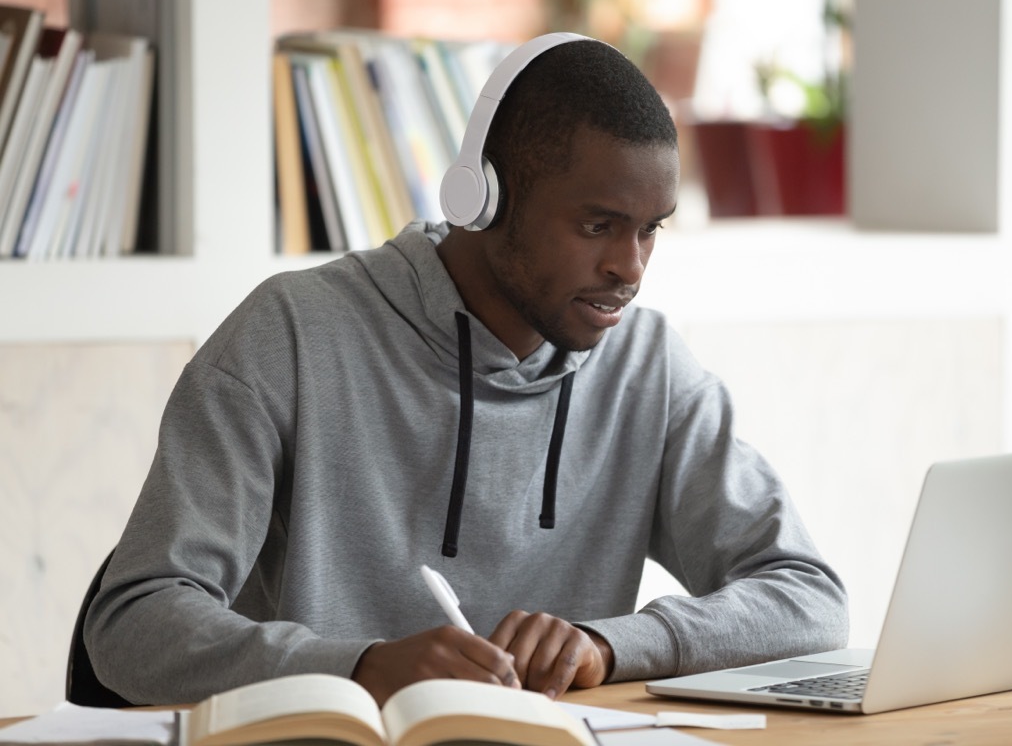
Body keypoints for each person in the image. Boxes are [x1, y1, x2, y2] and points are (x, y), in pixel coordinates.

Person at [85, 35, 849, 707]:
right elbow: (134, 620)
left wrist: (606, 646)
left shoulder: (649, 369)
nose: (630, 267)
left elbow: (809, 598)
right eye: (597, 226)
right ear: (483, 198)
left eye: (651, 231)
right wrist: (360, 668)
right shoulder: (289, 335)